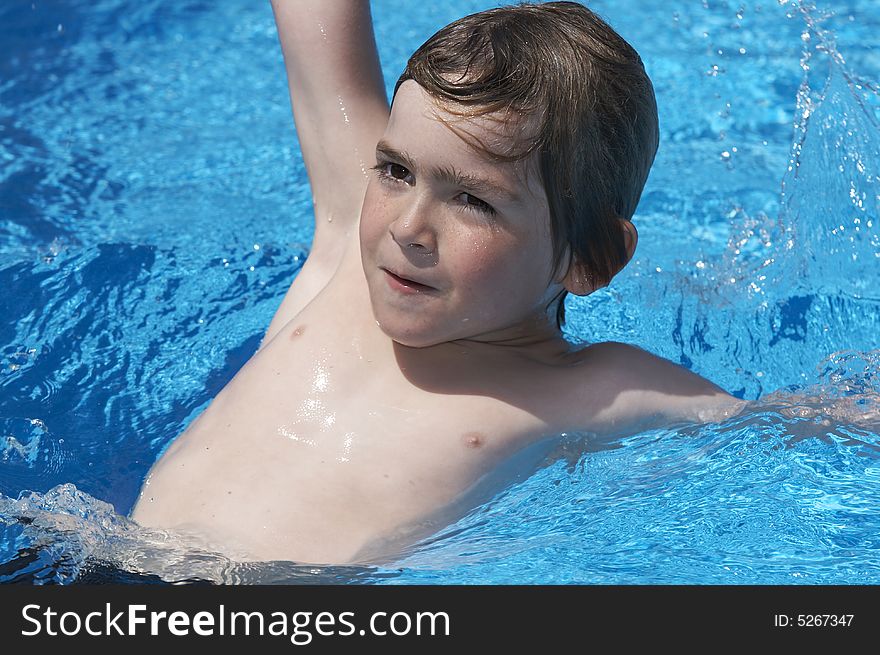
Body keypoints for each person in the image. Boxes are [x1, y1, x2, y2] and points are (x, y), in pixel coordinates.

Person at [130, 0, 743, 565]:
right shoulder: (351, 250)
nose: (409, 227)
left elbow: (790, 427)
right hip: (82, 558)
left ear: (590, 258)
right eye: (395, 170)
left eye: (474, 201)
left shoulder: (588, 388)